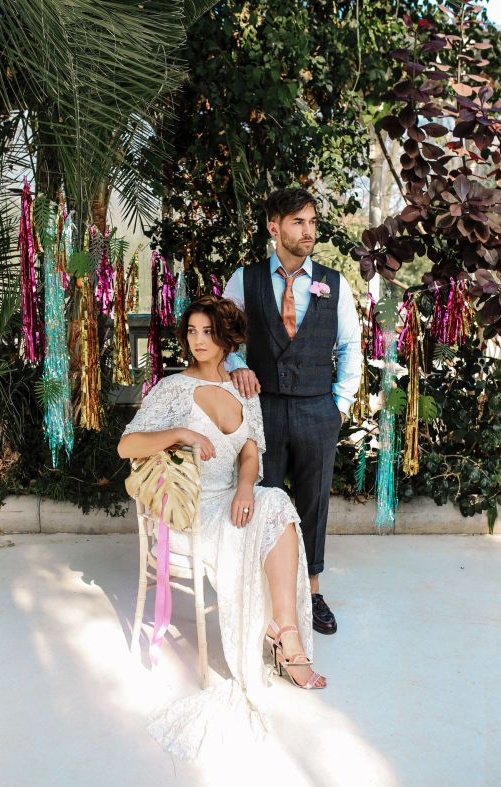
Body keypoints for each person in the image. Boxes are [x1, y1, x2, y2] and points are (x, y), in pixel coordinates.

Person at [118, 295, 324, 762]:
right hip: (192, 512)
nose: (198, 340)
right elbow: (126, 446)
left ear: (226, 338)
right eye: (192, 331)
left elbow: (250, 453)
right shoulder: (172, 389)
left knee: (277, 503)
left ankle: (286, 632)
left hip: (232, 499)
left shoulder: (242, 389)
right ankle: (284, 641)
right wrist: (180, 433)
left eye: (208, 332)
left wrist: (246, 488)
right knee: (273, 511)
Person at [224, 187, 362, 635]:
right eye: (298, 222)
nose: (308, 231)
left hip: (318, 409)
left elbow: (351, 345)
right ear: (274, 227)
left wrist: (340, 404)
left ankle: (313, 590)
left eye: (312, 222)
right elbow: (222, 336)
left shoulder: (334, 283)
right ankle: (265, 593)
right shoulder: (244, 280)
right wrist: (237, 365)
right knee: (264, 499)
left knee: (314, 501)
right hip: (262, 409)